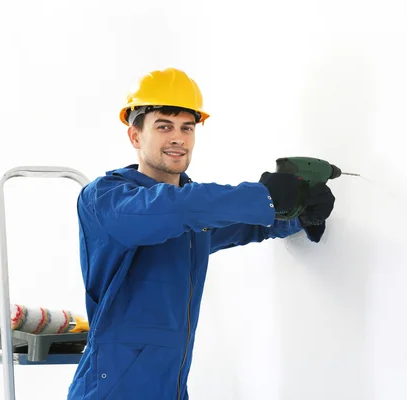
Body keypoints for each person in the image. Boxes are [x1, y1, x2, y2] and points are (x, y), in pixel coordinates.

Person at [67, 67, 335, 399]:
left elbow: (244, 225)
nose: (178, 138)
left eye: (187, 128)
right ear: (135, 136)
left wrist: (298, 212)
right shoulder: (107, 198)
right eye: (164, 126)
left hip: (171, 387)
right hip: (112, 389)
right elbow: (170, 209)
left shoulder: (193, 216)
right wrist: (262, 195)